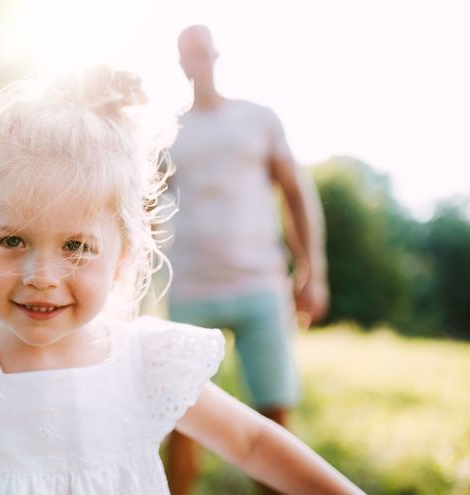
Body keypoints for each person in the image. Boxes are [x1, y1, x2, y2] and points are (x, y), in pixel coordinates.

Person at [0, 66, 359, 495]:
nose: (41, 276)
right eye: (11, 241)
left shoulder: (146, 362)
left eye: (77, 247)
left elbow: (253, 443)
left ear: (124, 252)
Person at [163, 25, 330, 494]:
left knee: (274, 417)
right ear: (179, 63)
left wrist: (313, 272)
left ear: (215, 53)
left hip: (260, 285)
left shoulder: (258, 119)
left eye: (200, 49)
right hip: (191, 289)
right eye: (185, 53)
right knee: (178, 417)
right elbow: (140, 210)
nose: (194, 59)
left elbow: (297, 194)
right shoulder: (168, 131)